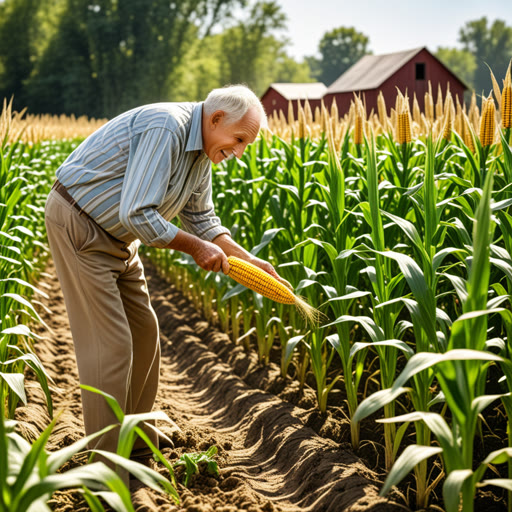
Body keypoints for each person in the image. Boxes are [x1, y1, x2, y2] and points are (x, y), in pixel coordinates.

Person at [44, 84, 278, 470]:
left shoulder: (202, 152)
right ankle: (105, 460)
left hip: (118, 240)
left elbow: (202, 218)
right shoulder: (167, 128)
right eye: (237, 140)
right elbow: (138, 213)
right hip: (80, 227)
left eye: (244, 145)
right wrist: (196, 248)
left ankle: (134, 433)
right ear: (216, 118)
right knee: (112, 344)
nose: (237, 152)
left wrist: (246, 259)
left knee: (145, 330)